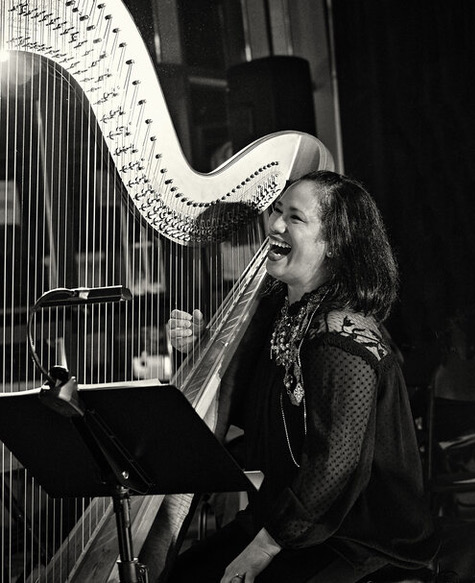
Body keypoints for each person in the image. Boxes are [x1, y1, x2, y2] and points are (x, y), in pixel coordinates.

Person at [167, 170, 438, 583]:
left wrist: (263, 547)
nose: (275, 224)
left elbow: (335, 466)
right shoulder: (284, 312)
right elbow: (261, 411)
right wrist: (202, 350)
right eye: (276, 210)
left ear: (334, 244)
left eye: (294, 218)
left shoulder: (340, 336)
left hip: (354, 538)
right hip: (287, 516)